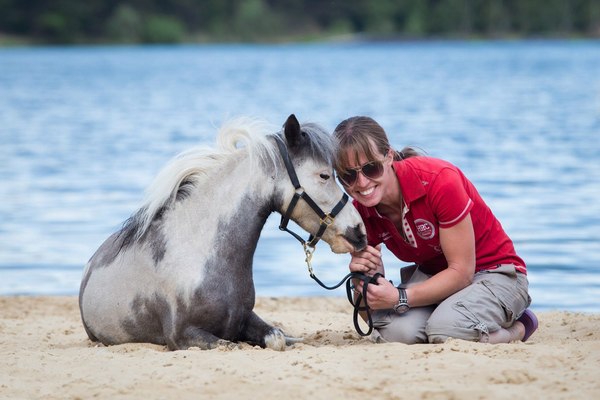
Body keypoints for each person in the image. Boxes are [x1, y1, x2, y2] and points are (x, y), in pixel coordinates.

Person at [333, 116, 538, 344]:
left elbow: (462, 272)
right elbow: (370, 314)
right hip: (437, 280)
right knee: (397, 335)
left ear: (389, 156)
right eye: (348, 175)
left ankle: (520, 327)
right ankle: (450, 314)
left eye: (370, 169)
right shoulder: (359, 212)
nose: (361, 183)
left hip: (495, 273)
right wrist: (364, 281)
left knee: (447, 331)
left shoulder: (440, 181)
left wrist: (399, 297)